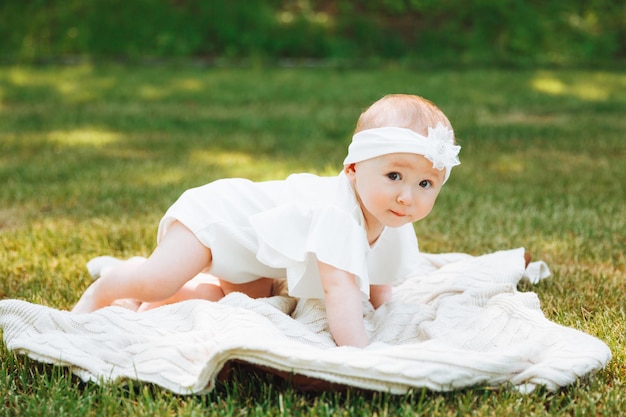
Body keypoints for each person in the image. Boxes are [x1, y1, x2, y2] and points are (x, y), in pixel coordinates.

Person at [72, 94, 461, 348]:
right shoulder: (337, 214)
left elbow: (380, 274)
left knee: (243, 303)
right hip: (218, 219)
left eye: (425, 183)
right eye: (394, 176)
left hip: (252, 253)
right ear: (354, 168)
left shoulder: (390, 215)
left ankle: (171, 298)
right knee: (156, 280)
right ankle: (111, 287)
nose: (406, 196)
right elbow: (340, 291)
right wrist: (360, 352)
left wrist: (382, 309)